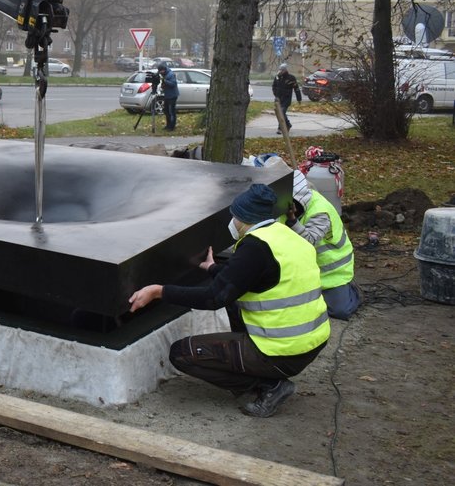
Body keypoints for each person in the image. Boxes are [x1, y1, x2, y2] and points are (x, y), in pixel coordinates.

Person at [128, 183, 329, 418]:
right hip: (312, 342)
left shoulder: (256, 246)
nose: (232, 221)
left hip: (282, 350)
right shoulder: (285, 236)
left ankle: (269, 386)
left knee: (181, 353)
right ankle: (263, 371)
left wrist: (159, 291)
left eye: (234, 215)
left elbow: (215, 297)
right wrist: (214, 268)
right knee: (235, 302)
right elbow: (254, 275)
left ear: (244, 218)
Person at [284, 170, 361, 320]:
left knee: (340, 311)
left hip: (331, 273)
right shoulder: (285, 206)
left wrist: (293, 221)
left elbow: (309, 241)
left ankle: (352, 291)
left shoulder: (320, 211)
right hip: (301, 271)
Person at [272, 63, 301, 134]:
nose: (280, 71)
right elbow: (274, 86)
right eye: (279, 70)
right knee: (279, 113)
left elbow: (296, 89)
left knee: (281, 112)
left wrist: (299, 99)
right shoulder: (277, 77)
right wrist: (276, 94)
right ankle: (288, 124)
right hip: (278, 99)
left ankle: (280, 128)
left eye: (281, 70)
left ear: (285, 70)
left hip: (286, 99)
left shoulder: (291, 78)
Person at [157, 62, 179, 131]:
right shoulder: (164, 74)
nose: (160, 73)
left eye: (161, 71)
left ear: (163, 69)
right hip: (167, 95)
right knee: (166, 111)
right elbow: (165, 84)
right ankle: (168, 125)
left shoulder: (171, 74)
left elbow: (173, 84)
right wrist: (163, 85)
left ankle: (172, 127)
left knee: (171, 111)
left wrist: (165, 81)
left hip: (172, 95)